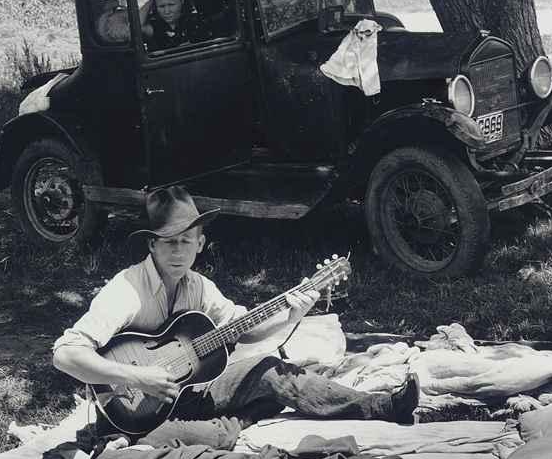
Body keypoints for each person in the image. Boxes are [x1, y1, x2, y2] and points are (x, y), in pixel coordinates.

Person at [52, 186, 420, 435]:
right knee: (216, 434)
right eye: (168, 242)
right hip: (132, 412)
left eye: (186, 241)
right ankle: (221, 425)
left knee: (272, 371)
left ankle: (384, 407)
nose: (177, 252)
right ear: (151, 245)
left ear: (200, 244)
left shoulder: (199, 286)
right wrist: (137, 377)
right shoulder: (127, 289)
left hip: (190, 394)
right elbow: (65, 355)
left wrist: (293, 312)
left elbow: (241, 329)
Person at [139, 0, 212, 52]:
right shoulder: (155, 26)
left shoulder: (195, 22)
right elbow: (137, 26)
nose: (167, 11)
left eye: (171, 5)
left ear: (182, 1)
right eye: (161, 6)